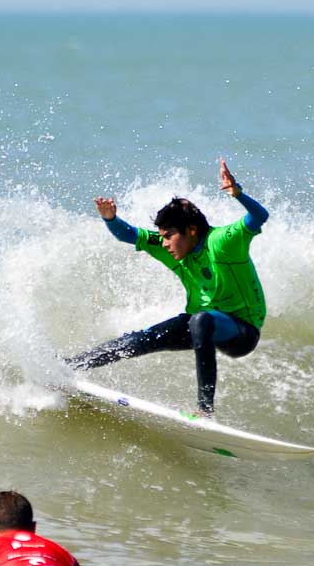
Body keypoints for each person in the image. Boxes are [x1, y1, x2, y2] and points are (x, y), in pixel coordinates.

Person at [66, 159, 269, 417]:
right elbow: (127, 234)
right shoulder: (171, 248)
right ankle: (69, 366)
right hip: (202, 324)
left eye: (168, 235)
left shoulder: (223, 242)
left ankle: (204, 410)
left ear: (191, 230)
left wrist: (237, 193)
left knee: (201, 321)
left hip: (242, 330)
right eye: (160, 236)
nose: (163, 243)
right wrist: (110, 218)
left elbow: (259, 217)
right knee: (139, 339)